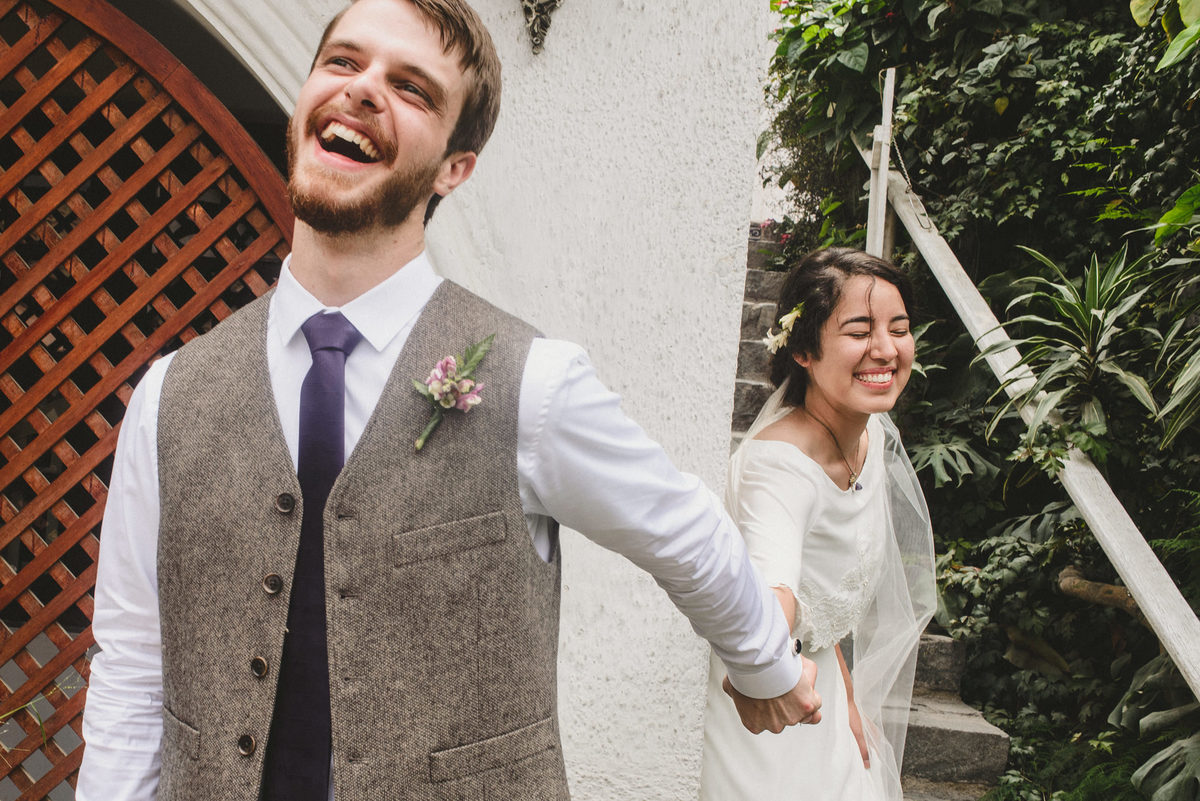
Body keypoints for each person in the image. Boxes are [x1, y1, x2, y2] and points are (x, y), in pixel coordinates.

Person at [76, 1, 821, 799]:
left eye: (411, 89)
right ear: (302, 105)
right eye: (343, 63)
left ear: (454, 166)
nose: (363, 90)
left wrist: (764, 662)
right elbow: (130, 667)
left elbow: (684, 527)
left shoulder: (533, 382)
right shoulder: (169, 396)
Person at [699, 247, 937, 801]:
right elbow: (773, 592)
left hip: (823, 688)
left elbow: (823, 606)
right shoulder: (777, 468)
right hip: (769, 710)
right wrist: (762, 669)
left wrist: (848, 699)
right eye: (860, 330)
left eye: (898, 329)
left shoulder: (870, 434)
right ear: (804, 349)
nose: (885, 349)